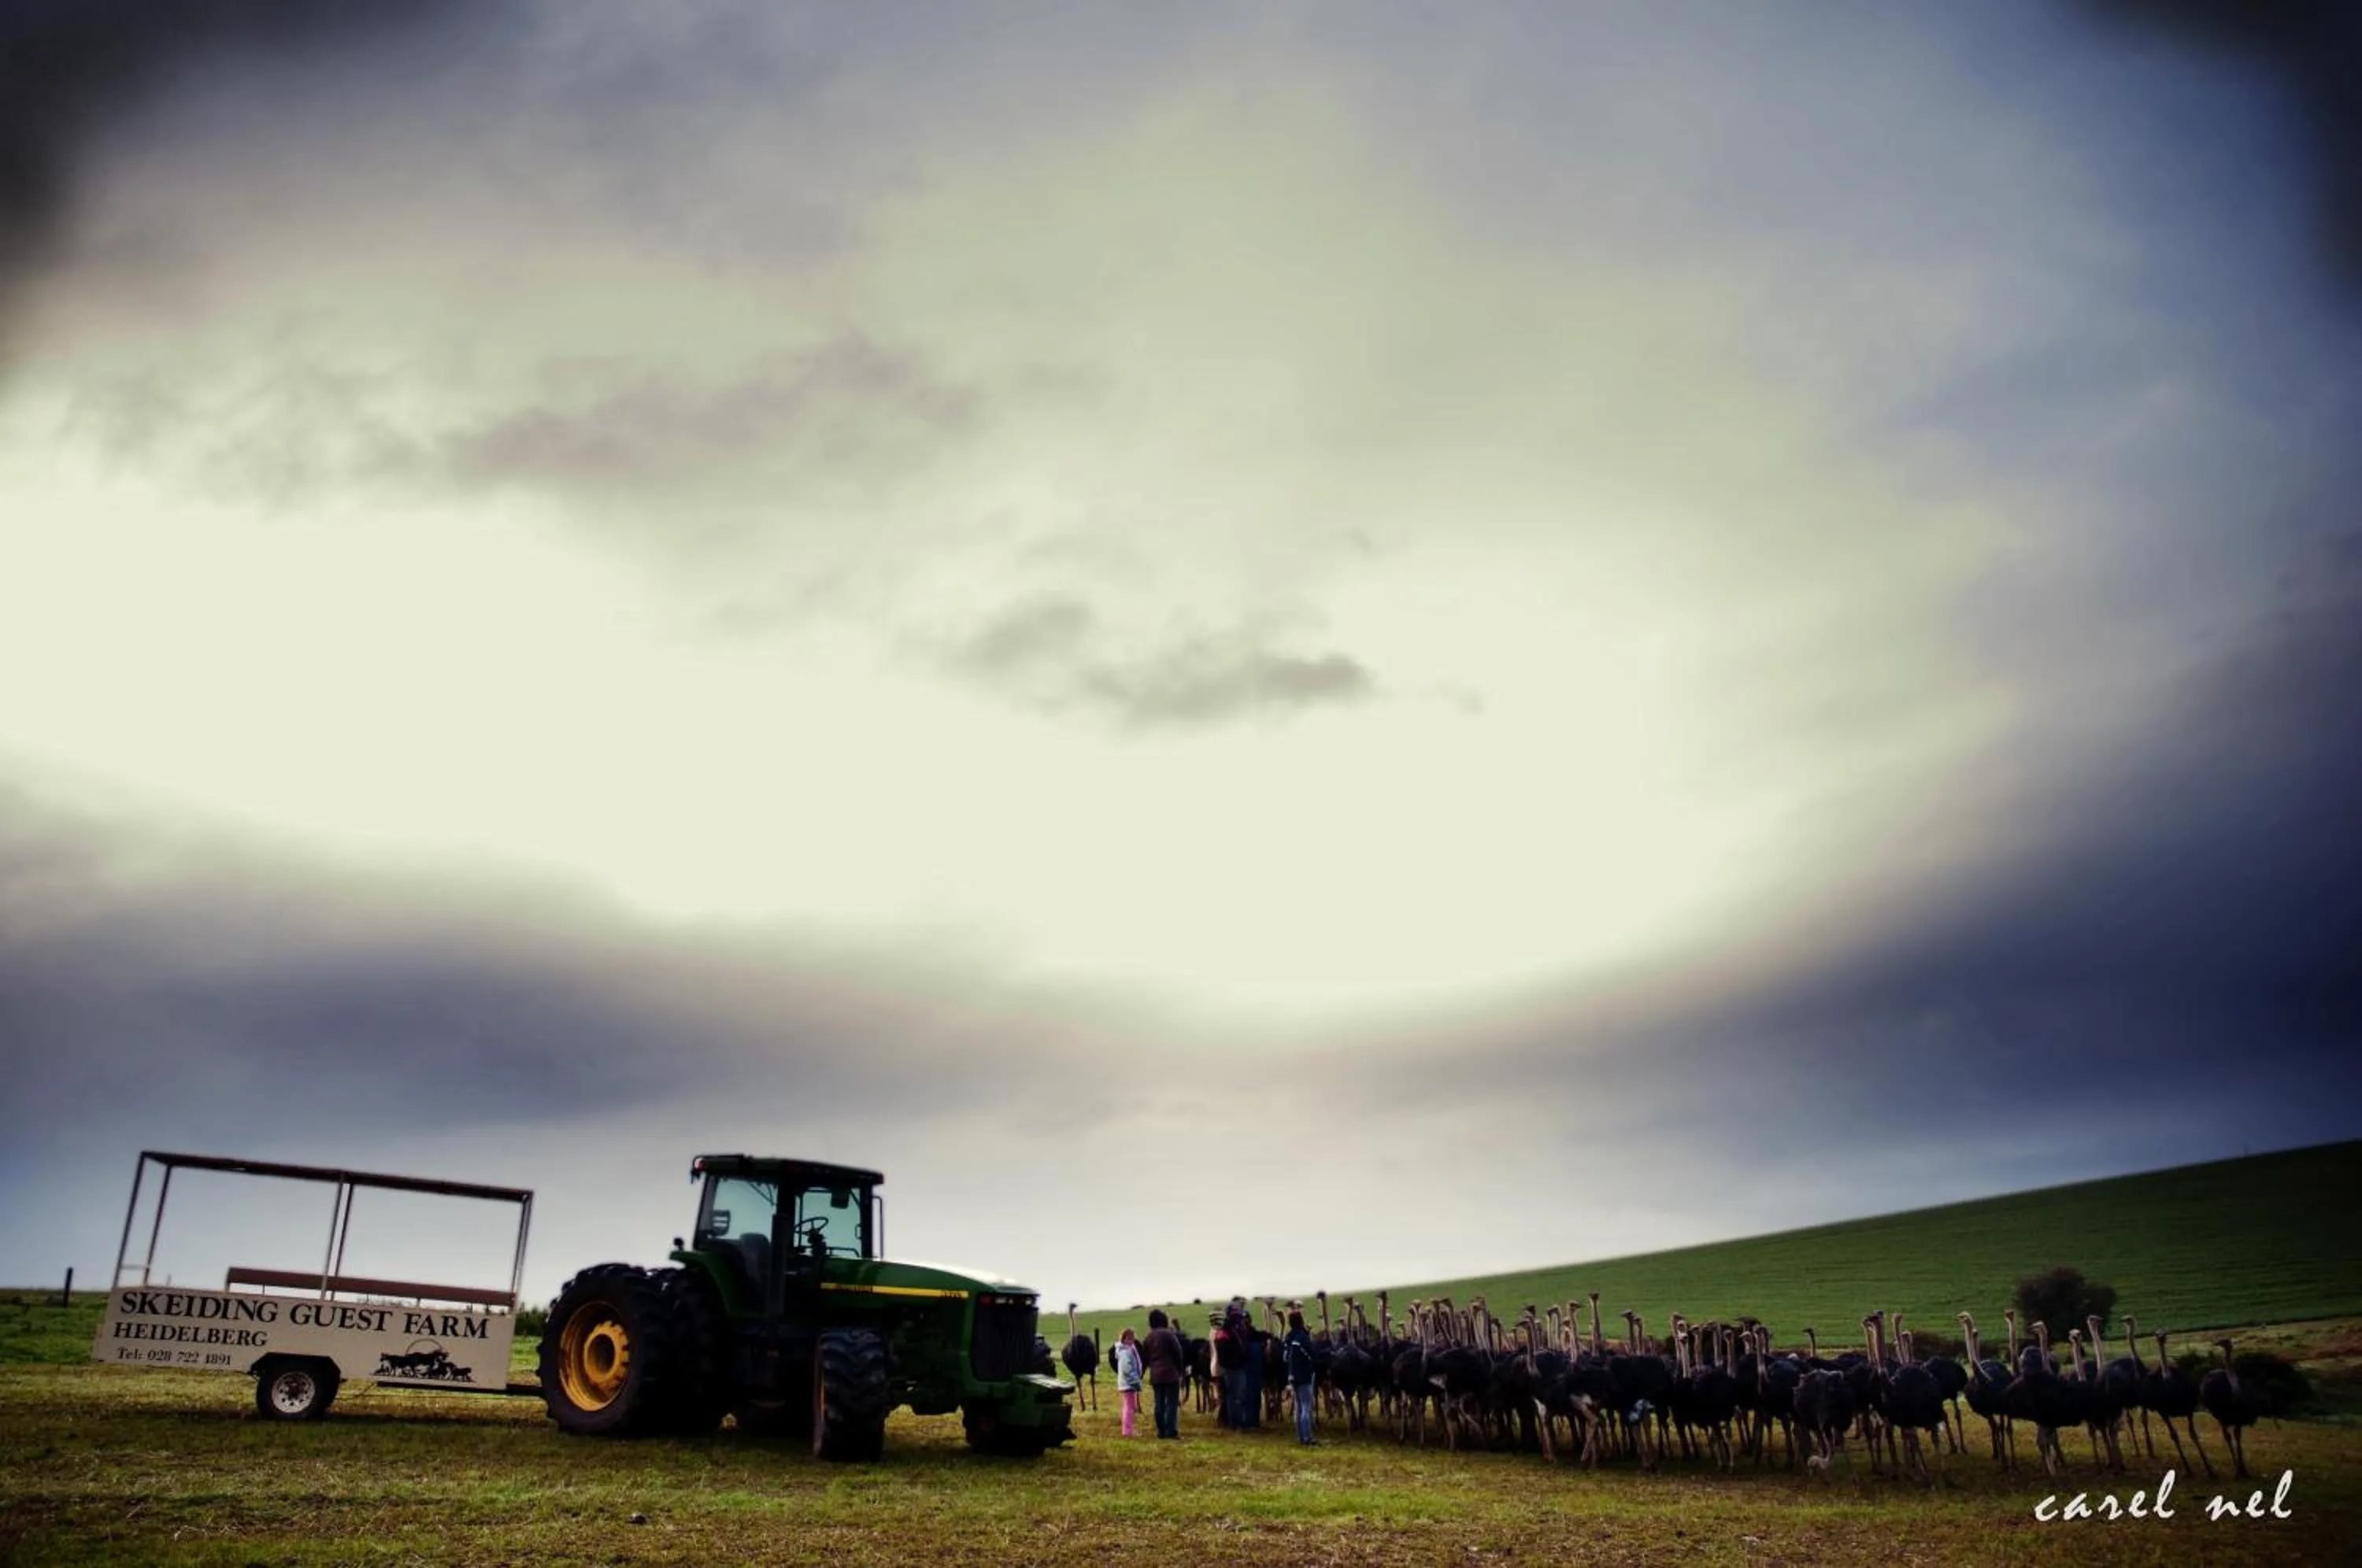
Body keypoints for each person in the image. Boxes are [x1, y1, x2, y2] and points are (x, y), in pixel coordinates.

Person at [1143, 1309, 1187, 1439]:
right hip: (1171, 1374)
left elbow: (1145, 1357)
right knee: (1172, 1403)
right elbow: (1178, 1353)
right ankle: (1171, 1431)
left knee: (1159, 1403)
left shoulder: (1148, 1337)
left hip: (1156, 1375)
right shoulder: (1169, 1335)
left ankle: (1161, 1431)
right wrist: (1180, 1370)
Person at [1282, 1308, 1318, 1444]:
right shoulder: (1303, 1337)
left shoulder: (1289, 1338)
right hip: (1304, 1376)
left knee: (1298, 1406)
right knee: (1306, 1406)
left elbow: (1285, 1357)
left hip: (1292, 1376)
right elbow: (1311, 1355)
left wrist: (1291, 1373)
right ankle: (1307, 1437)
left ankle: (1300, 1437)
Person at [1113, 1327, 1144, 1437]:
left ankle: (1128, 1429)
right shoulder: (1126, 1353)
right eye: (1129, 1338)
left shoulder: (1127, 1351)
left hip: (1127, 1383)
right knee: (1129, 1408)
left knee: (1129, 1406)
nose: (1131, 1341)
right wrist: (1135, 1382)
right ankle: (1127, 1431)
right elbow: (1127, 1370)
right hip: (1128, 1384)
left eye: (1132, 1338)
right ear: (1124, 1339)